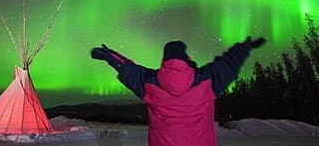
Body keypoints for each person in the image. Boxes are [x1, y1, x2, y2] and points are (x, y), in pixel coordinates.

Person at [91, 37, 265, 146]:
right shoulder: (207, 80)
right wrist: (244, 47)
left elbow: (128, 68)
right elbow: (229, 63)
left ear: (165, 60)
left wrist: (109, 55)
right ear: (186, 58)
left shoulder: (150, 83)